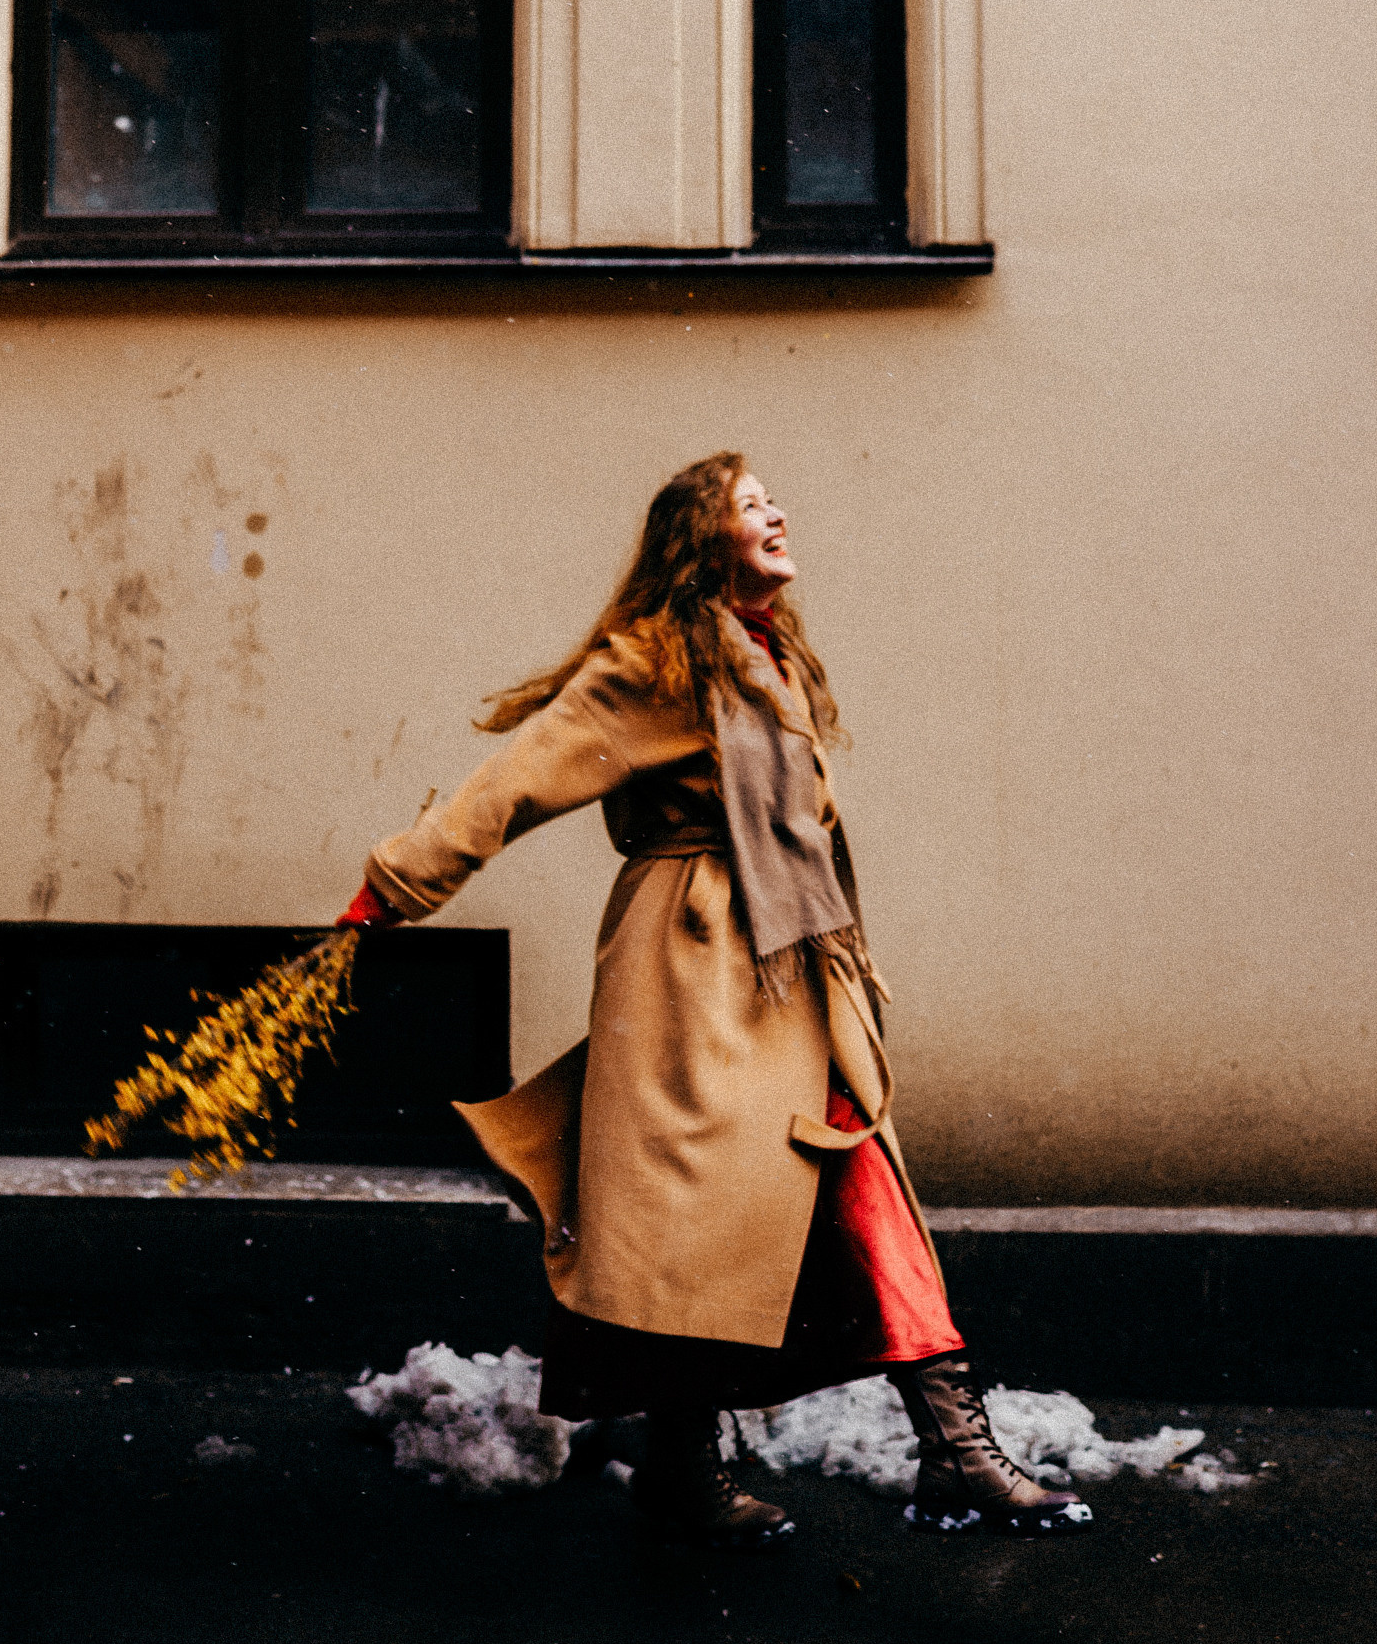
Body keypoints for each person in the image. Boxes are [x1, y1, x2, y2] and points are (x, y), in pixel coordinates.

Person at [337, 451, 1088, 1547]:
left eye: (772, 496)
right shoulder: (651, 662)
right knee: (686, 1219)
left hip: (785, 966)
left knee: (808, 1185)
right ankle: (874, 1458)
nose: (777, 510)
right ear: (702, 539)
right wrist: (399, 882)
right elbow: (521, 775)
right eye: (749, 503)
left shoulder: (761, 656)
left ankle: (924, 1453)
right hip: (689, 969)